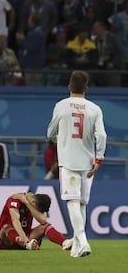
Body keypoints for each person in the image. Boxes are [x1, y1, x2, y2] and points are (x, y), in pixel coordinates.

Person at [47, 70, 107, 257]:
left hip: (68, 161)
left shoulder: (61, 106)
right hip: (88, 163)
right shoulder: (95, 109)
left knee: (72, 202)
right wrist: (99, 158)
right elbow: (102, 135)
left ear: (69, 86)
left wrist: (61, 138)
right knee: (81, 203)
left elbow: (50, 133)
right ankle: (76, 246)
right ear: (86, 88)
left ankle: (83, 242)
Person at [0, 192, 73, 251]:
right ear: (33, 202)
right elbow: (15, 220)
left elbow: (43, 220)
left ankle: (65, 243)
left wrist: (27, 203)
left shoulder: (32, 201)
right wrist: (23, 237)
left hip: (26, 240)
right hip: (6, 241)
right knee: (6, 227)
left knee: (45, 226)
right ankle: (27, 245)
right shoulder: (14, 200)